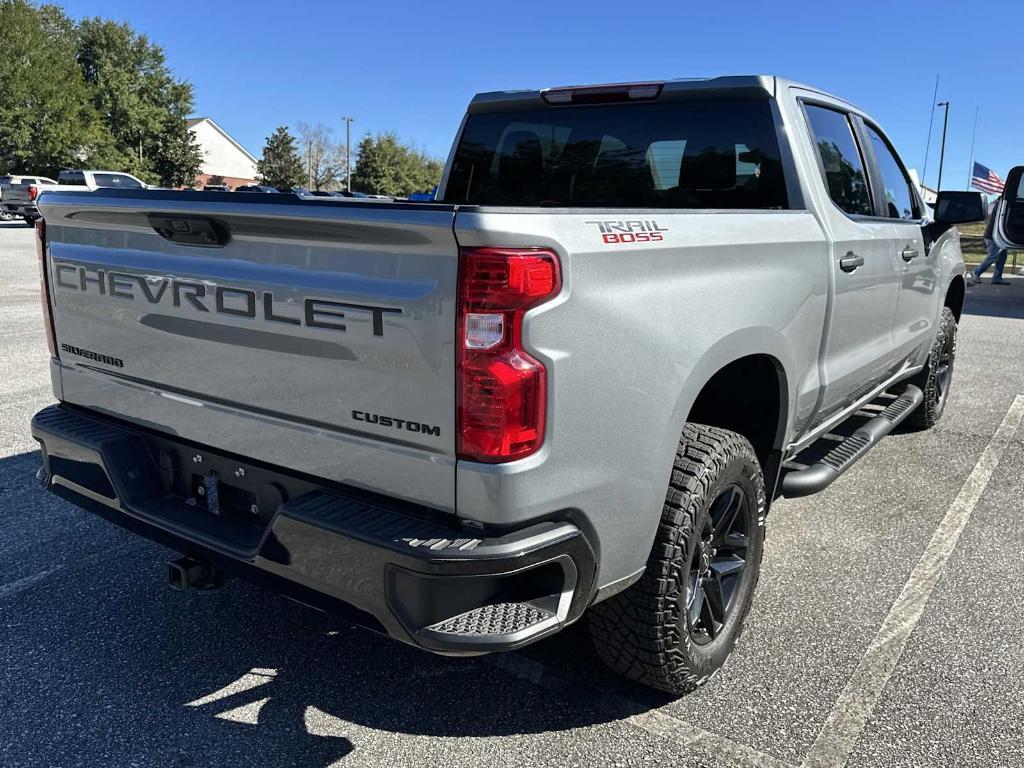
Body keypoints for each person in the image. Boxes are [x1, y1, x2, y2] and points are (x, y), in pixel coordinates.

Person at [970, 201, 1010, 285]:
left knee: (1002, 257)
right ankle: (976, 272)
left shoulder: (1001, 205)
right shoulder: (1002, 206)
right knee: (994, 255)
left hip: (998, 235)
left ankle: (997, 278)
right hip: (993, 236)